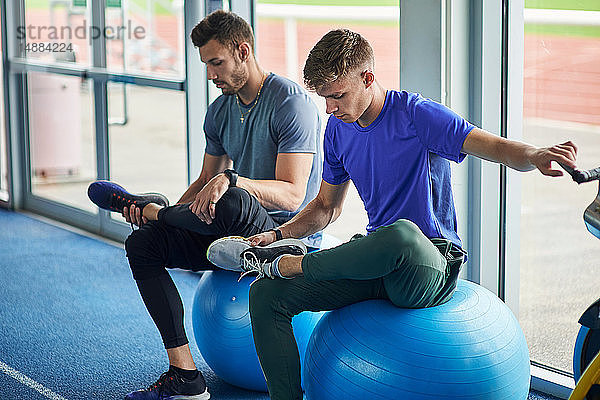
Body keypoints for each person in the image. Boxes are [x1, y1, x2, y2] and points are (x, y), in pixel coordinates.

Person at [206, 29, 578, 400]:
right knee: (266, 295)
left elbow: (492, 145)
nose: (330, 109)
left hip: (428, 261)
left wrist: (533, 155)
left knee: (400, 233)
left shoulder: (418, 115)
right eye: (325, 100)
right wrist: (277, 235)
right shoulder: (337, 130)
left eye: (337, 96)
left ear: (367, 78)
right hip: (376, 261)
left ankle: (294, 264)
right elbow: (325, 207)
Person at [87, 10, 322, 400]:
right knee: (143, 245)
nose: (211, 75)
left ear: (243, 51)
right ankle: (185, 377)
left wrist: (229, 181)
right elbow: (203, 183)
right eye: (206, 65)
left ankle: (152, 208)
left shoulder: (289, 103)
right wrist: (166, 227)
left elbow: (293, 194)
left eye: (217, 62)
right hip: (231, 242)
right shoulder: (219, 112)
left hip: (282, 239)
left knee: (229, 195)